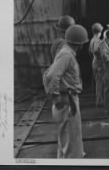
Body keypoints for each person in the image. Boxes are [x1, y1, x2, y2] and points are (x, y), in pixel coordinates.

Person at [43, 24, 88, 158]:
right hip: (67, 101)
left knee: (68, 137)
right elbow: (51, 75)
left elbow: (49, 73)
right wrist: (56, 99)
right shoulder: (67, 55)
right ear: (79, 44)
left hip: (68, 99)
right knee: (69, 138)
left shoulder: (64, 52)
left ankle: (69, 158)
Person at [89, 23, 103, 107]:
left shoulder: (92, 40)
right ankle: (99, 101)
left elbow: (90, 51)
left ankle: (99, 100)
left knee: (98, 82)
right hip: (98, 64)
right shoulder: (98, 41)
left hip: (94, 62)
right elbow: (96, 51)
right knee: (100, 83)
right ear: (100, 31)